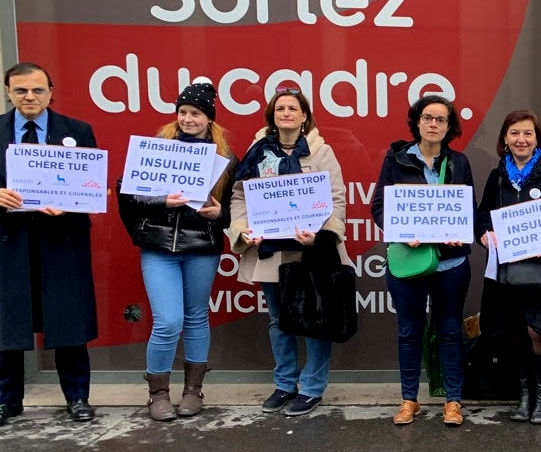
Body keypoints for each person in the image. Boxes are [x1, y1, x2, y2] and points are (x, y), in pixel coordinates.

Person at [117, 82, 238, 421]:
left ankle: (193, 391)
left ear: (209, 119)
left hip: (201, 247)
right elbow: (126, 193)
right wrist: (160, 201)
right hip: (158, 247)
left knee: (197, 317)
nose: (188, 119)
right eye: (183, 112)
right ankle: (157, 393)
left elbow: (238, 208)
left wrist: (220, 215)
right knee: (168, 321)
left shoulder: (225, 158)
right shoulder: (156, 149)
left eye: (196, 114)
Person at [228, 88, 350, 417]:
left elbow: (336, 200)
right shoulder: (257, 151)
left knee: (314, 318)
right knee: (279, 320)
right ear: (272, 115)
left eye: (292, 108)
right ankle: (285, 383)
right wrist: (242, 230)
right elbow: (240, 196)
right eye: (280, 108)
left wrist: (321, 235)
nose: (286, 113)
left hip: (308, 251)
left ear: (304, 116)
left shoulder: (322, 153)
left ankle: (311, 388)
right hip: (270, 251)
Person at [0, 62, 100, 424]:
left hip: (61, 240)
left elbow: (91, 188)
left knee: (68, 321)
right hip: (9, 243)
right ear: (9, 92)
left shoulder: (76, 131)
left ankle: (77, 398)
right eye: (21, 90)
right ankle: (6, 400)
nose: (30, 97)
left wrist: (71, 201)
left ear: (51, 92)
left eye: (38, 90)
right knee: (6, 324)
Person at [371, 95, 475, 426]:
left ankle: (453, 402)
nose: (433, 124)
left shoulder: (459, 163)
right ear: (417, 122)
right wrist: (400, 231)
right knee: (409, 331)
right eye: (427, 117)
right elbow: (379, 207)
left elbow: (467, 210)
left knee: (449, 330)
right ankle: (409, 400)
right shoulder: (397, 160)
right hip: (409, 262)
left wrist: (462, 230)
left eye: (440, 120)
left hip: (450, 265)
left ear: (449, 127)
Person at [476, 110, 541, 425]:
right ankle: (524, 398)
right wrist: (485, 235)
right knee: (514, 334)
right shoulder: (497, 177)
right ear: (505, 140)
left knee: (540, 331)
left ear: (537, 139)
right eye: (515, 134)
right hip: (508, 273)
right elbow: (483, 217)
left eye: (528, 134)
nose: (521, 139)